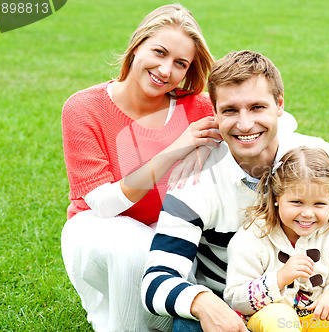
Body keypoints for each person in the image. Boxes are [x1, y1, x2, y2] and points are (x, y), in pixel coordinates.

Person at [142, 50, 329, 332]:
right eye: (230, 110)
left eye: (257, 107)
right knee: (187, 325)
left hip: (321, 306)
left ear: (280, 104)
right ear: (216, 114)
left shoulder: (320, 157)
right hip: (242, 312)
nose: (245, 124)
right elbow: (156, 280)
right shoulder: (194, 182)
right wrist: (202, 302)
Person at [60, 4, 221, 331]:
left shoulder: (198, 108)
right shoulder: (83, 109)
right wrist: (174, 149)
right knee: (132, 246)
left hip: (169, 236)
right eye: (159, 52)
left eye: (180, 63)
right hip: (99, 236)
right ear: (136, 47)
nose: (165, 70)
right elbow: (103, 205)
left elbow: (264, 124)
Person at [224, 146, 329, 331]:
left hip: (319, 318)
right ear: (276, 197)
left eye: (319, 204)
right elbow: (236, 299)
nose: (307, 213)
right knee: (278, 316)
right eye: (297, 202)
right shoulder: (252, 236)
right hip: (271, 321)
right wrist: (280, 278)